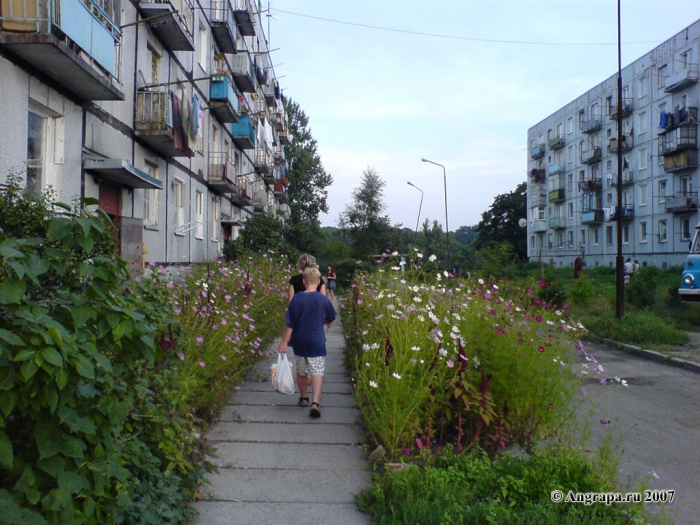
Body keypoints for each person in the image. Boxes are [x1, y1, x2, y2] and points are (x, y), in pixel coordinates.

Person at [279, 267, 337, 418]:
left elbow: (290, 323)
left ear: (304, 281)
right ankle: (315, 402)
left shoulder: (296, 299)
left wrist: (284, 342)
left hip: (299, 341)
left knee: (301, 371)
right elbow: (331, 317)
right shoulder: (323, 299)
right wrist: (326, 321)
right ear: (318, 282)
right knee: (317, 372)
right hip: (317, 341)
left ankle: (304, 397)